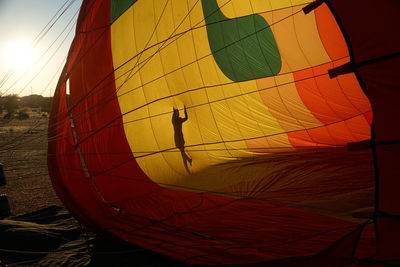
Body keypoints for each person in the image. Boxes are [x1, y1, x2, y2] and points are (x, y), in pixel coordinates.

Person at [172, 105, 192, 173]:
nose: (178, 113)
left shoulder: (173, 120)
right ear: (176, 113)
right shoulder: (178, 119)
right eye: (177, 112)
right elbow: (186, 118)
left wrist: (174, 110)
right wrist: (185, 110)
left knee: (182, 153)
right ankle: (188, 164)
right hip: (179, 137)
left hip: (177, 137)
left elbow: (185, 118)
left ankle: (188, 164)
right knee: (182, 153)